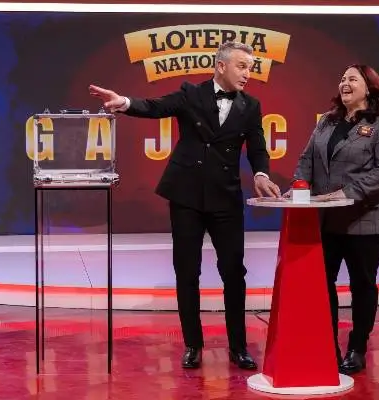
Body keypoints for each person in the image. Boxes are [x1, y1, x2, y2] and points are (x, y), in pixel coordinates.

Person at [89, 41, 281, 370]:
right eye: (241, 66)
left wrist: (261, 173)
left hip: (225, 197)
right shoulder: (191, 94)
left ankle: (238, 347)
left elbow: (257, 147)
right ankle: (193, 344)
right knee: (187, 271)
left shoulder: (250, 105)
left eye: (250, 68)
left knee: (234, 272)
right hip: (187, 196)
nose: (247, 74)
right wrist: (124, 103)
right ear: (221, 66)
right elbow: (155, 106)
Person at [285, 64, 379, 375]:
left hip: (366, 217)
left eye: (352, 79)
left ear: (369, 88)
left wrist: (346, 193)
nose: (344, 83)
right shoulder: (327, 121)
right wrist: (298, 186)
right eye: (342, 79)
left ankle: (357, 347)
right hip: (327, 220)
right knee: (323, 284)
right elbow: (306, 159)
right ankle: (328, 345)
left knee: (362, 284)